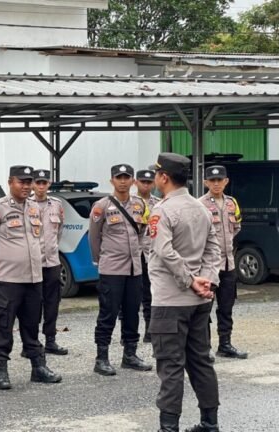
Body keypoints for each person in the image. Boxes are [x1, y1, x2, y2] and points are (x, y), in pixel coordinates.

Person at [148, 153, 222, 432]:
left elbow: (164, 251)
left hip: (170, 301)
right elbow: (214, 248)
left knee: (170, 366)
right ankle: (209, 422)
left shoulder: (163, 210)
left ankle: (169, 427)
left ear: (164, 177)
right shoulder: (201, 207)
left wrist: (191, 280)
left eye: (156, 174)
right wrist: (209, 280)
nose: (155, 179)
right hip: (198, 301)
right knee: (201, 360)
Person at [0, 165, 62, 391]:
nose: (26, 186)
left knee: (31, 324)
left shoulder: (35, 208)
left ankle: (38, 367)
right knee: (4, 326)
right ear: (10, 182)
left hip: (34, 279)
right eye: (21, 182)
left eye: (28, 182)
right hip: (8, 280)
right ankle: (2, 370)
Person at [89, 164, 152, 376]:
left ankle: (130, 354)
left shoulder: (140, 205)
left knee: (132, 311)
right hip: (112, 269)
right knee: (108, 312)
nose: (123, 181)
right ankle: (102, 357)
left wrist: (141, 252)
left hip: (134, 269)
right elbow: (94, 237)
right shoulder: (102, 206)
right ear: (111, 181)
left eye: (127, 177)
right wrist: (101, 260)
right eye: (119, 177)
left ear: (133, 181)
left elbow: (144, 231)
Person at [199, 165, 248, 360]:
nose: (216, 183)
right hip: (209, 266)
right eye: (212, 180)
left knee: (226, 307)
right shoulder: (199, 204)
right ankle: (204, 348)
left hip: (228, 265)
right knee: (204, 308)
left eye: (220, 180)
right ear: (206, 183)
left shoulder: (231, 203)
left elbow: (236, 227)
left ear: (226, 181)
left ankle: (225, 344)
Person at [26, 169, 68, 356]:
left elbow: (58, 232)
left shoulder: (57, 205)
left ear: (49, 184)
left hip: (52, 262)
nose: (41, 186)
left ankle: (50, 340)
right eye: (38, 182)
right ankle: (32, 343)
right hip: (32, 263)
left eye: (44, 182)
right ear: (33, 184)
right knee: (32, 305)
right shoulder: (26, 205)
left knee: (52, 303)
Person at [136, 169, 162, 343]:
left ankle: (149, 329)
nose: (146, 185)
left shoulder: (160, 204)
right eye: (142, 182)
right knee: (129, 296)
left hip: (151, 254)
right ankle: (127, 333)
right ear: (136, 183)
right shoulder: (128, 203)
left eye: (148, 182)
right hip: (132, 254)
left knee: (149, 293)